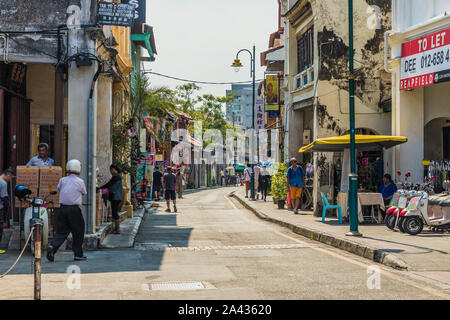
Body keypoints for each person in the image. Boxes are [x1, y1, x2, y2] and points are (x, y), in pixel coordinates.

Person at [47, 159, 87, 262]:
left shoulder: (62, 180)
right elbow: (83, 192)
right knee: (78, 231)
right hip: (74, 209)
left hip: (63, 208)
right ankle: (78, 253)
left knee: (61, 230)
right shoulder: (80, 181)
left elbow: (59, 188)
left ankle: (53, 246)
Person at [99, 164, 123, 234]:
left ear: (114, 169)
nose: (110, 171)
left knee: (115, 213)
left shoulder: (116, 177)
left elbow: (109, 184)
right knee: (114, 213)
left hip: (115, 197)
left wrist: (100, 188)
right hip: (117, 197)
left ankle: (117, 230)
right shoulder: (118, 176)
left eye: (111, 170)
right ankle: (115, 229)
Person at [0, 168, 14, 244]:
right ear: (8, 175)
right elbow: (3, 197)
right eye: (11, 177)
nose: (10, 179)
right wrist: (7, 204)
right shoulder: (3, 183)